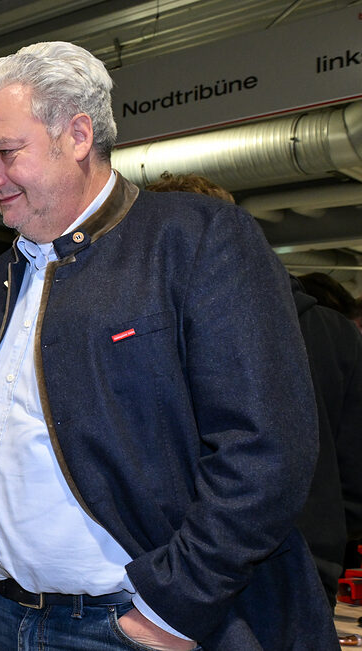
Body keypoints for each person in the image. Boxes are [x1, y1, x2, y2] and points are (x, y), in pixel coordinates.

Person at [0, 41, 333, 649]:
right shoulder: (1, 276)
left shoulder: (195, 241)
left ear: (76, 134)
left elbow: (267, 450)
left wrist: (175, 602)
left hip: (127, 625)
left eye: (6, 153)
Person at [146, 171, 362, 607]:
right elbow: (354, 471)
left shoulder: (166, 329)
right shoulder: (335, 331)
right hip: (298, 573)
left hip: (195, 572)